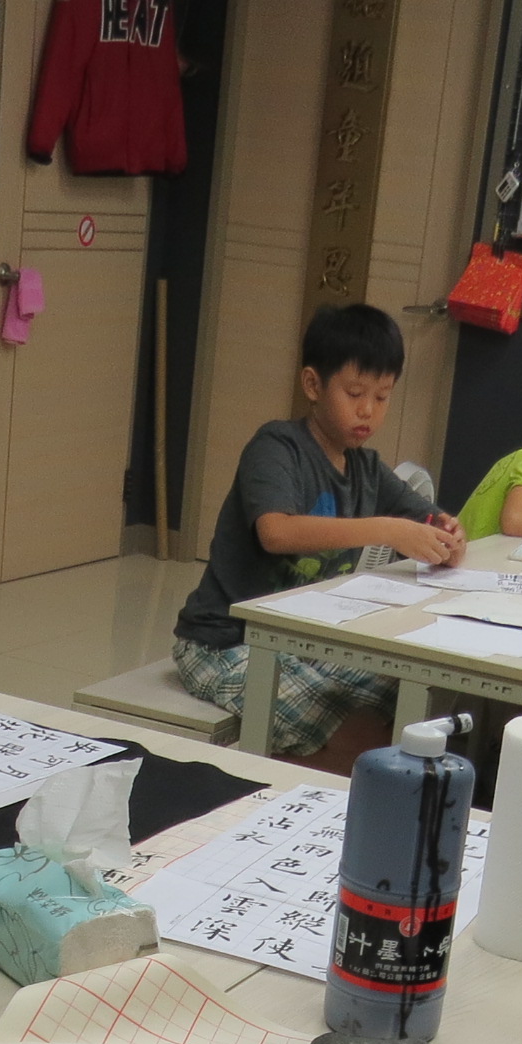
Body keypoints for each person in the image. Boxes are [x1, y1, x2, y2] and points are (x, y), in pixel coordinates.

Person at [171, 303, 467, 761]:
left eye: (383, 397)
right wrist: (387, 529)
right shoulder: (277, 447)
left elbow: (428, 517)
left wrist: (448, 534)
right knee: (363, 741)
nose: (368, 410)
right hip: (225, 641)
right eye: (355, 393)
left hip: (302, 643)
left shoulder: (366, 467)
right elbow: (276, 532)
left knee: (415, 700)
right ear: (313, 384)